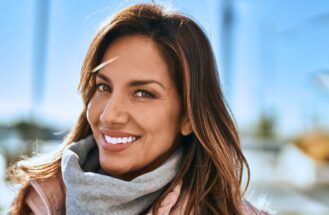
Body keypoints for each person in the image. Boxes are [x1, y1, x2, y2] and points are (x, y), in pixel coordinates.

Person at [9, 3, 268, 215]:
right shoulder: (35, 203)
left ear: (189, 117)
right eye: (103, 87)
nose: (109, 115)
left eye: (143, 93)